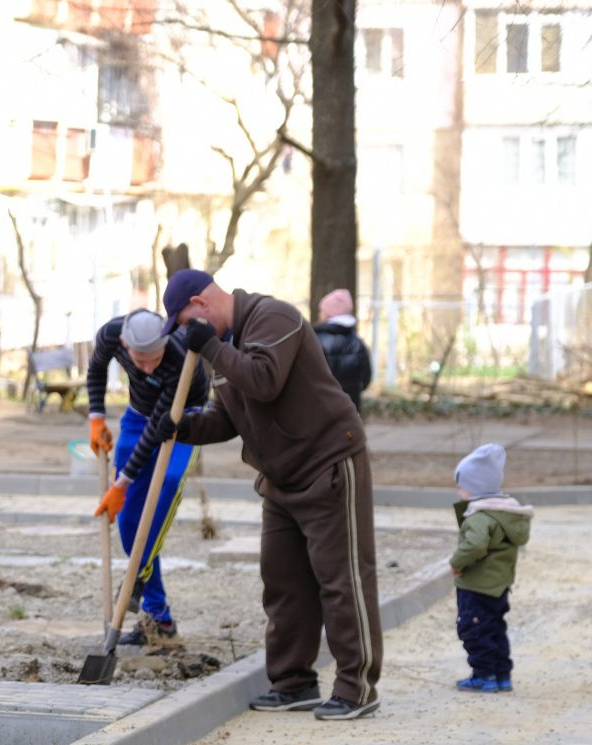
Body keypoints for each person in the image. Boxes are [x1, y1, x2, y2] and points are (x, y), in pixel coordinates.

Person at [157, 268, 383, 721]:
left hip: (327, 464)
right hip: (280, 478)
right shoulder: (222, 344)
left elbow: (263, 380)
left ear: (201, 305)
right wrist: (182, 428)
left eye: (183, 321)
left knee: (341, 580)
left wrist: (211, 347)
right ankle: (293, 682)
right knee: (283, 583)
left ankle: (357, 687)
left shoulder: (273, 318)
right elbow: (229, 417)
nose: (184, 332)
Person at [86, 309, 210, 643]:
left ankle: (137, 580)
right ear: (125, 344)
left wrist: (121, 482)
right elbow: (97, 368)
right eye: (141, 362)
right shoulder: (111, 333)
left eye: (154, 359)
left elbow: (159, 430)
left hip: (186, 420)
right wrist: (96, 416)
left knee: (165, 486)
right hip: (139, 414)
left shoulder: (179, 358)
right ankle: (160, 620)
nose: (149, 367)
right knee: (128, 525)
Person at [449, 444, 532, 693]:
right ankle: (501, 674)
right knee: (495, 627)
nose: (459, 489)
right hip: (499, 585)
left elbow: (474, 546)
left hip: (477, 585)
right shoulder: (506, 512)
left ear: (475, 488)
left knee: (473, 628)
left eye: (461, 485)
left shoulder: (480, 517)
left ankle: (483, 675)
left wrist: (456, 562)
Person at [313, 288, 372, 411]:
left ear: (328, 313)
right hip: (350, 412)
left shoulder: (316, 341)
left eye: (321, 310)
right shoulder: (358, 343)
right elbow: (366, 379)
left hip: (322, 412)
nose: (319, 314)